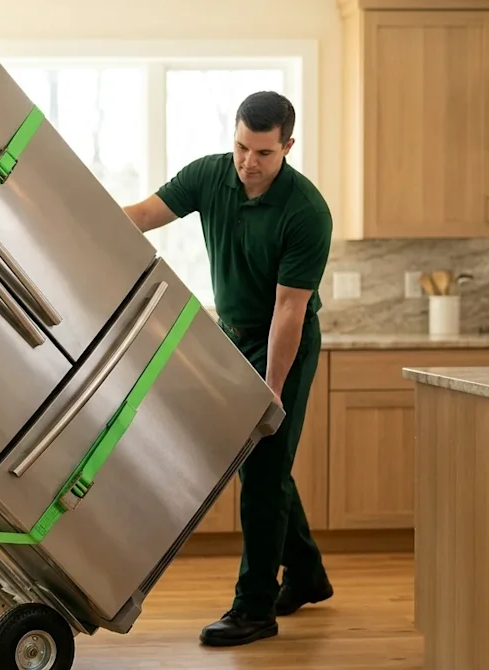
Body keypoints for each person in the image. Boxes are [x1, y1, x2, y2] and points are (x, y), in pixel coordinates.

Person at [122, 91, 334, 647]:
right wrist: (72, 217)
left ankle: (255, 609)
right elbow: (142, 216)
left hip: (283, 344)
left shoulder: (306, 212)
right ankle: (306, 573)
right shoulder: (210, 176)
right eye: (241, 147)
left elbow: (289, 311)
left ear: (288, 146)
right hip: (232, 337)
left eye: (263, 152)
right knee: (262, 467)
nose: (248, 162)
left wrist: (272, 390)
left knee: (262, 471)